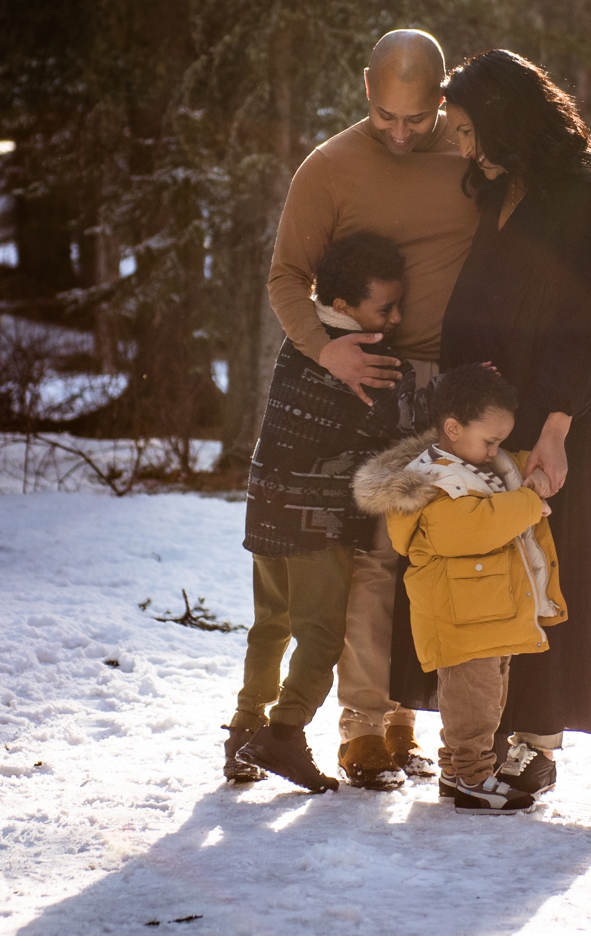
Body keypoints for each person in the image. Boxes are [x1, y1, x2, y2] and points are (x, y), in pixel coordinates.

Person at [265, 28, 480, 789]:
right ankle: (361, 727)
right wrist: (328, 349)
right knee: (374, 558)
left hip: (452, 388)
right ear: (366, 87)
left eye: (414, 119)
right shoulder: (328, 167)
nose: (398, 132)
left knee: (434, 556)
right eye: (385, 115)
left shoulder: (469, 152)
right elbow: (287, 276)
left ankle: (403, 719)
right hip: (369, 381)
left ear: (441, 96)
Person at [438, 49, 591, 797]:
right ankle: (494, 728)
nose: (463, 148)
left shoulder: (582, 194)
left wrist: (555, 426)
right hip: (493, 403)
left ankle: (540, 740)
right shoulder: (500, 188)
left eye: (467, 130)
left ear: (505, 119)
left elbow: (581, 319)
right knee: (502, 561)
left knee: (556, 561)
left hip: (565, 396)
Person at [227, 232, 425, 792]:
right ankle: (283, 735)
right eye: (385, 307)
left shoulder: (303, 343)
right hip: (315, 520)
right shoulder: (373, 362)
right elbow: (404, 427)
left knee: (272, 624)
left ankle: (243, 731)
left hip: (266, 506)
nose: (397, 316)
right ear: (344, 307)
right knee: (322, 634)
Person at [352, 365, 568, 814]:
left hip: (483, 615)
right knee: (472, 706)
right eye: (489, 441)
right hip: (460, 618)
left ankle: (456, 772)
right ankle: (471, 777)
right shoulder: (433, 480)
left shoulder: (470, 466)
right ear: (452, 428)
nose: (494, 453)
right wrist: (528, 502)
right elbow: (470, 530)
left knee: (485, 702)